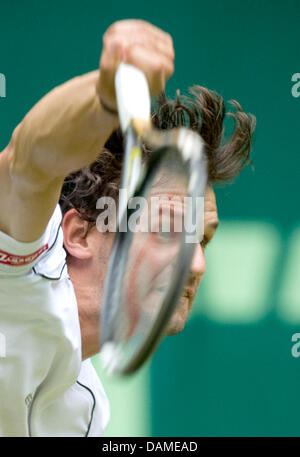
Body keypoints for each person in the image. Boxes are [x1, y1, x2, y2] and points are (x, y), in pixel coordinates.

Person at [0, 19, 255, 437]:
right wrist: (104, 94)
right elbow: (29, 160)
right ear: (79, 235)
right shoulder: (20, 274)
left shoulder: (86, 414)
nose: (196, 265)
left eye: (202, 239)